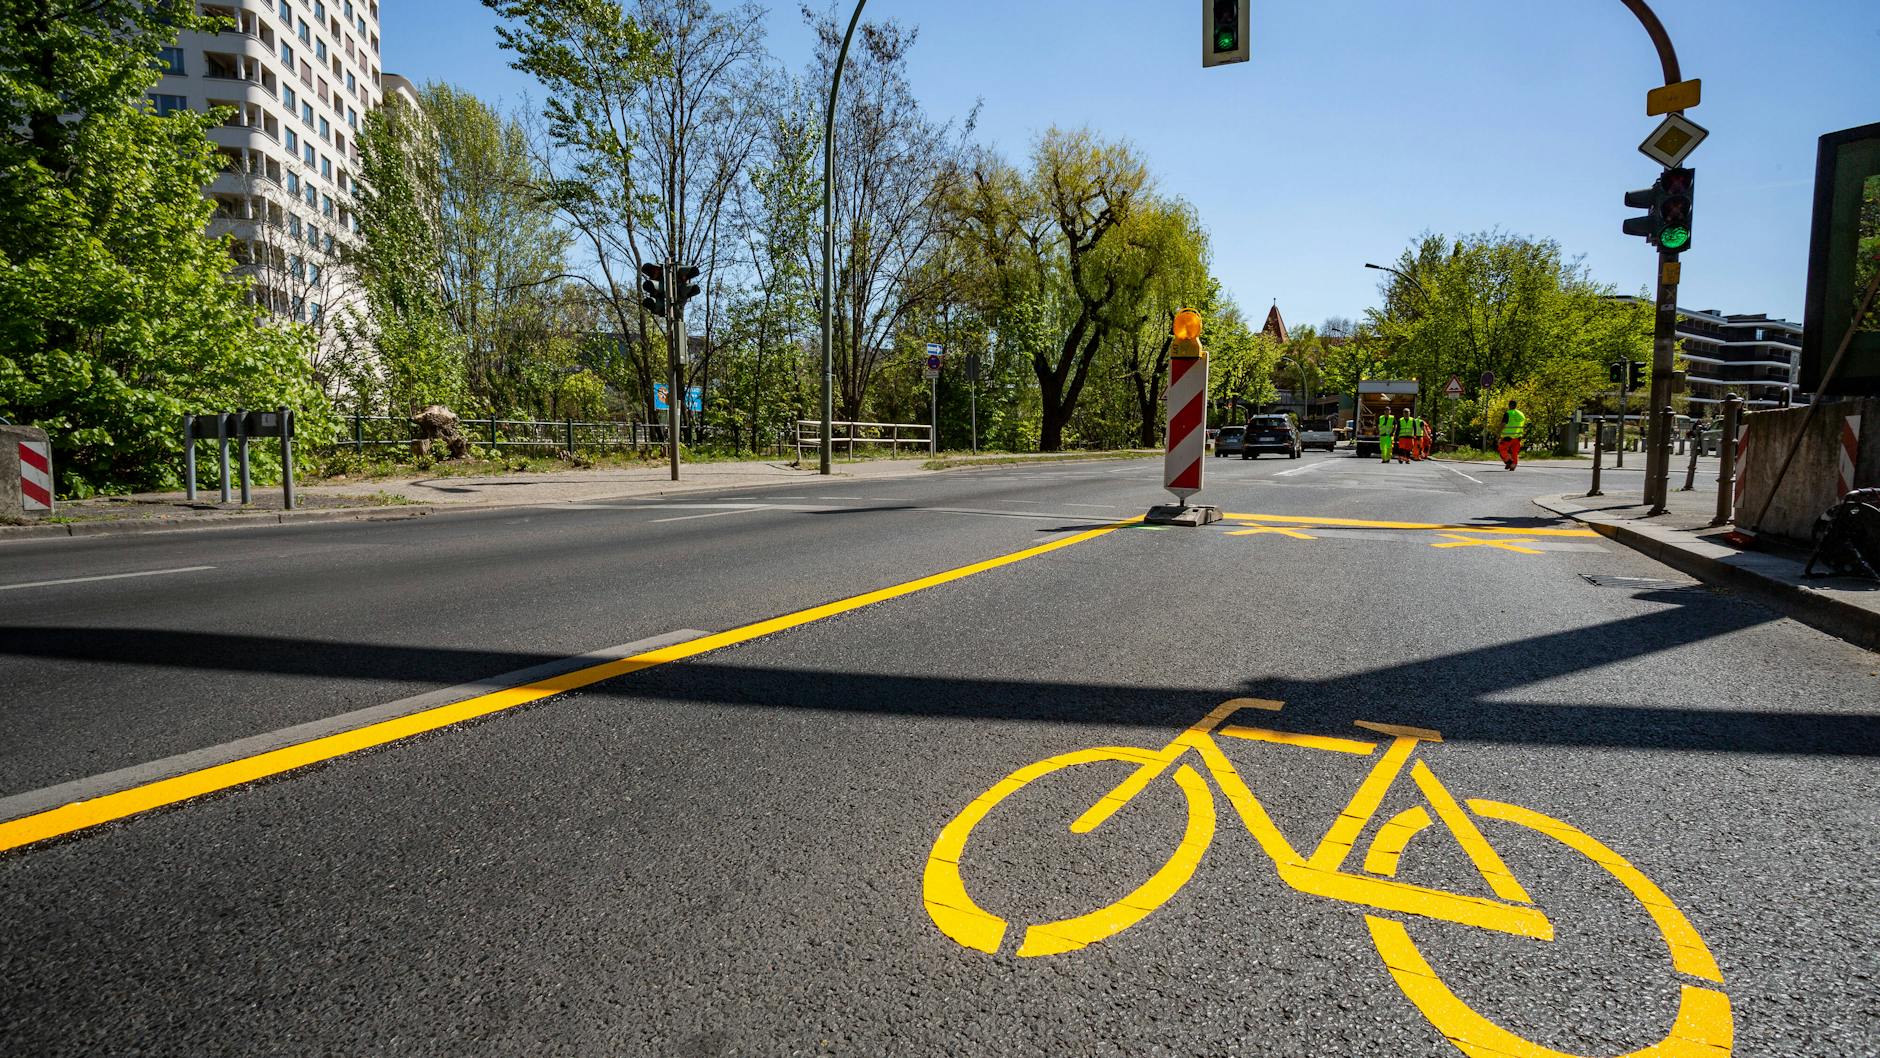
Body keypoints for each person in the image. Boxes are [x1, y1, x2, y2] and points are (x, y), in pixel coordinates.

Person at [1498, 399, 1528, 471]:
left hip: (1508, 436)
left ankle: (1509, 461)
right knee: (1514, 452)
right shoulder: (1521, 414)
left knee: (1502, 449)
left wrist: (1498, 432)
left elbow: (1503, 424)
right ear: (1516, 405)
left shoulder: (1508, 413)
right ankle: (1513, 465)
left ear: (1509, 405)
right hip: (1518, 436)